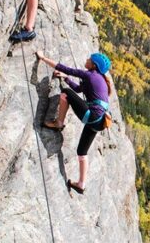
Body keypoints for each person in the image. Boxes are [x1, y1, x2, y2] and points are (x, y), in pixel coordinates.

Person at [35, 51, 113, 194]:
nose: (87, 59)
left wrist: (43, 58)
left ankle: (59, 122)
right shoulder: (98, 78)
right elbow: (78, 89)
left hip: (92, 117)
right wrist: (66, 79)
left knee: (65, 93)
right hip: (98, 122)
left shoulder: (90, 75)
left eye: (90, 59)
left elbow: (65, 68)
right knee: (82, 152)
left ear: (94, 65)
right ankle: (81, 184)